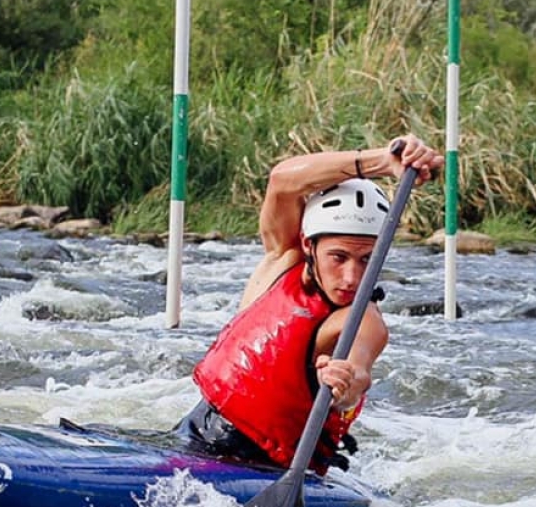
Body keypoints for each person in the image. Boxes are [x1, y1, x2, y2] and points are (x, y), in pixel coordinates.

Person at [177, 135, 444, 474]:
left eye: (366, 259)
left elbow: (358, 370)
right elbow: (282, 181)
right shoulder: (281, 260)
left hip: (264, 467)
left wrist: (345, 384)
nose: (351, 277)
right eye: (339, 257)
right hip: (194, 432)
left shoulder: (362, 320)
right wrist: (381, 162)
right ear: (308, 245)